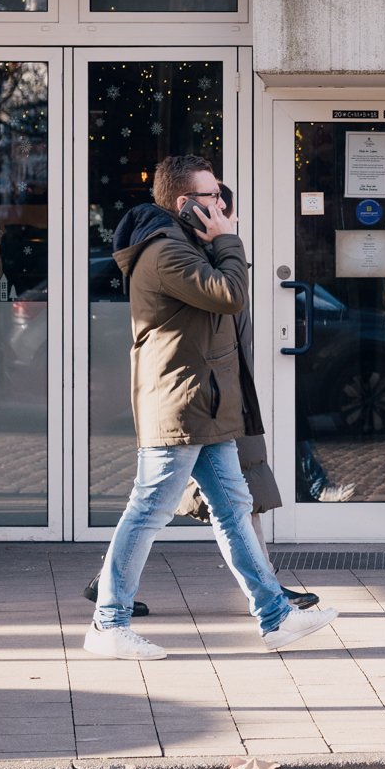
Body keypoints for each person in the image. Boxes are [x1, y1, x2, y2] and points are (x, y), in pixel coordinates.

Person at [85, 155, 338, 661]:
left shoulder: (183, 245)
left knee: (233, 509)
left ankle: (275, 616)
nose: (222, 205)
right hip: (180, 405)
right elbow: (229, 294)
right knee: (149, 510)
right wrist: (228, 240)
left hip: (206, 404)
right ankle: (108, 623)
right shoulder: (165, 252)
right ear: (185, 203)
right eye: (213, 197)